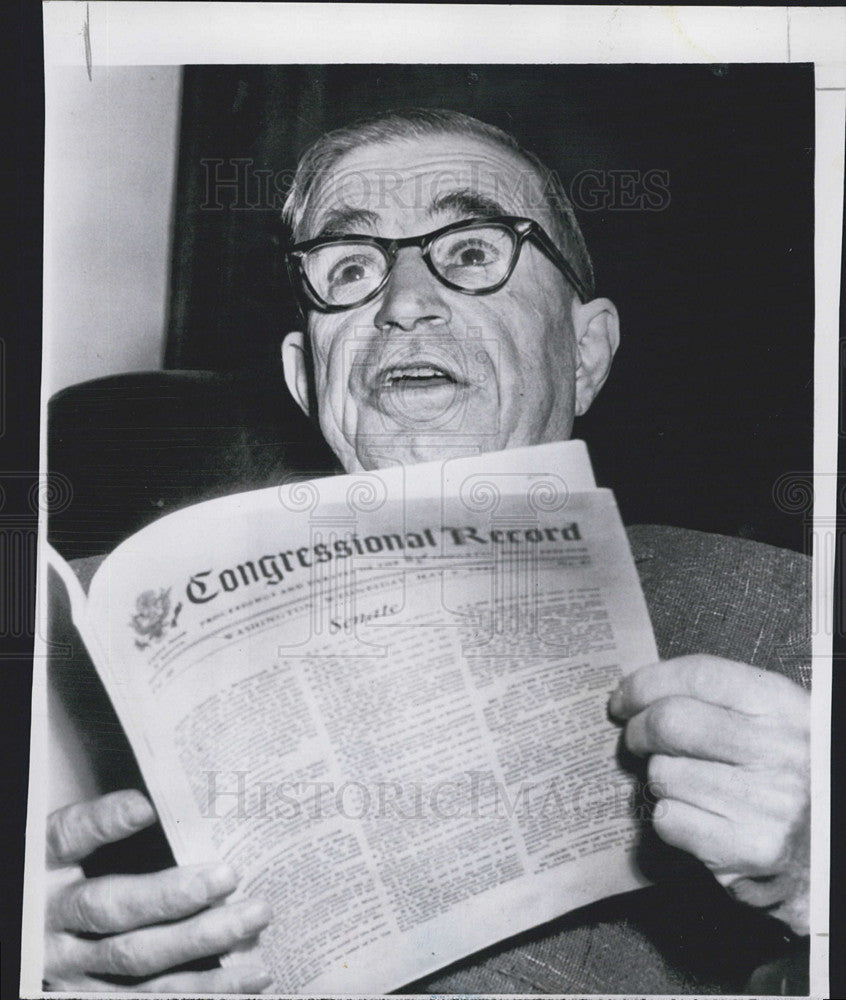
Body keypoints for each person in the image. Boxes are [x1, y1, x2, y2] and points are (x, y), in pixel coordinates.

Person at [43, 109, 811, 994]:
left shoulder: (791, 615)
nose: (404, 303)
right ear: (305, 375)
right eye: (352, 268)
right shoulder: (93, 631)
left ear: (586, 352)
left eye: (475, 252)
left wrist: (818, 885)